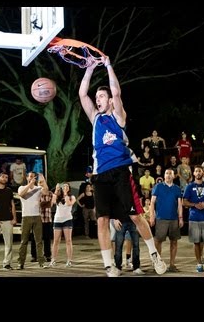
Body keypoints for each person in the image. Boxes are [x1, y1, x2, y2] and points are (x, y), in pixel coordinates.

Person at [78, 55, 166, 277]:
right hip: (100, 175)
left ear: (109, 100)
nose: (97, 99)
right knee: (102, 220)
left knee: (136, 216)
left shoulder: (118, 116)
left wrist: (107, 65)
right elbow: (81, 94)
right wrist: (89, 69)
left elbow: (117, 92)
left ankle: (154, 255)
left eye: (101, 96)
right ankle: (109, 265)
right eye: (96, 96)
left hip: (121, 171)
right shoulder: (95, 118)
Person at [150, 168, 183, 272]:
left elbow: (179, 204)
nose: (168, 175)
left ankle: (172, 265)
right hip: (161, 219)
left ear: (173, 176)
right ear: (164, 175)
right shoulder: (158, 187)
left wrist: (180, 218)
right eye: (167, 173)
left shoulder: (177, 188)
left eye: (170, 174)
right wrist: (152, 216)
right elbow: (152, 203)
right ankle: (157, 264)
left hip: (174, 219)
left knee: (174, 242)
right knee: (158, 241)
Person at [17, 171, 49, 269]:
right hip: (26, 217)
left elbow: (46, 192)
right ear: (27, 178)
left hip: (37, 216)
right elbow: (22, 195)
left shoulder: (38, 188)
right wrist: (30, 185)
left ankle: (41, 262)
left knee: (39, 241)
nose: (31, 178)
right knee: (24, 241)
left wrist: (43, 181)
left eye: (33, 177)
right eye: (30, 176)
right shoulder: (22, 187)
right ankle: (21, 263)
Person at [49, 182, 75, 267]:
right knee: (56, 241)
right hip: (58, 220)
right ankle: (53, 260)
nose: (65, 187)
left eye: (67, 186)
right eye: (64, 186)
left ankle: (69, 260)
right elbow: (52, 202)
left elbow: (68, 203)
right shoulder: (57, 197)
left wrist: (65, 194)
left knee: (68, 240)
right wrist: (56, 191)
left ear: (69, 188)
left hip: (67, 219)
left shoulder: (72, 197)